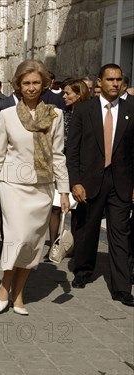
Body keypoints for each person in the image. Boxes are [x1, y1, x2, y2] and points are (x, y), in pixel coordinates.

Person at [0, 59, 70, 316]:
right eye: (26, 83)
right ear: (18, 86)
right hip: (13, 186)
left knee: (32, 243)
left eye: (35, 83)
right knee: (16, 238)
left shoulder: (55, 115)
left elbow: (58, 155)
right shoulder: (7, 115)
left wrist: (64, 191)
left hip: (42, 189)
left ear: (44, 84)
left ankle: (19, 293)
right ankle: (5, 285)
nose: (31, 88)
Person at [66, 64, 134, 307]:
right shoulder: (84, 110)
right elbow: (71, 150)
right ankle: (83, 270)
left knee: (120, 234)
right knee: (87, 228)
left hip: (121, 182)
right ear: (100, 82)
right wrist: (75, 182)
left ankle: (122, 288)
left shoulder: (131, 109)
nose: (115, 84)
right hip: (90, 181)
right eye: (110, 79)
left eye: (119, 79)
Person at [48, 79, 90, 247]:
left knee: (78, 209)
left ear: (79, 94)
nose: (64, 96)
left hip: (82, 167)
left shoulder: (90, 114)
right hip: (60, 166)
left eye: (68, 93)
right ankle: (54, 245)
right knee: (56, 207)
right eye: (63, 93)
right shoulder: (61, 114)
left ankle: (73, 245)